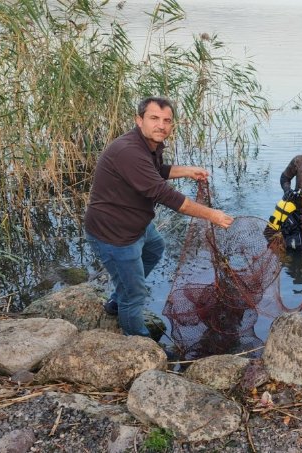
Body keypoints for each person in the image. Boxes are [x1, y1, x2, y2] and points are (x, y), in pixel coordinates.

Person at [84, 96, 234, 340]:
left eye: (167, 120)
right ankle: (139, 342)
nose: (161, 125)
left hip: (135, 224)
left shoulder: (148, 146)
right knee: (135, 295)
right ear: (139, 120)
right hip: (115, 234)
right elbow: (166, 195)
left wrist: (187, 170)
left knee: (154, 248)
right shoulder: (128, 151)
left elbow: (155, 171)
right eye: (154, 118)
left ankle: (115, 302)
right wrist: (212, 215)